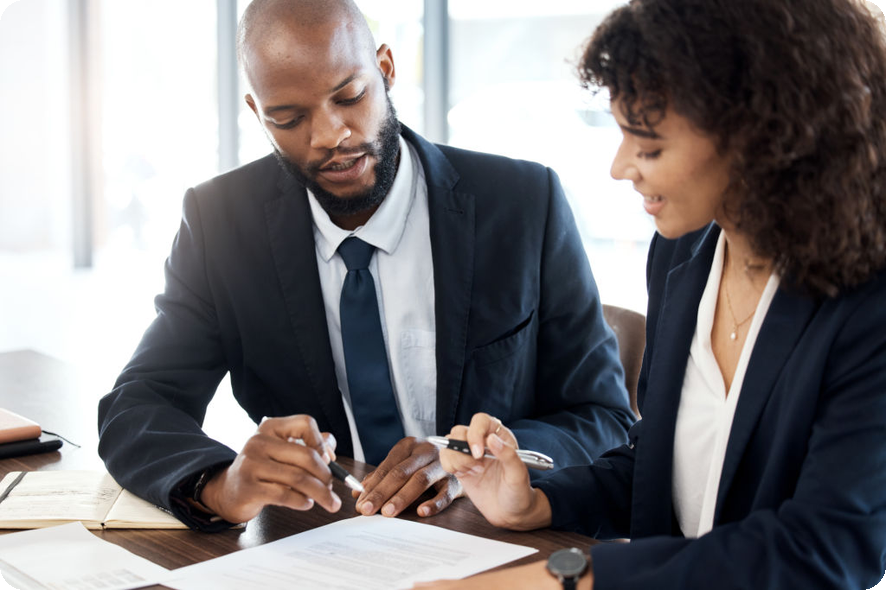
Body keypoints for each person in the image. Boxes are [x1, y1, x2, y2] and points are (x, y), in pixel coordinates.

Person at [96, 0, 634, 531]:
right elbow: (137, 406)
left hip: (494, 537)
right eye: (289, 118)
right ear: (258, 113)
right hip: (319, 540)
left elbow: (603, 416)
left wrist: (485, 460)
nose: (330, 136)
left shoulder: (522, 204)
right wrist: (221, 484)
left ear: (386, 69)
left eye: (350, 96)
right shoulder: (221, 225)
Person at [418, 0, 886, 588]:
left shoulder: (868, 303)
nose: (620, 167)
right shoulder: (682, 253)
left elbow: (823, 548)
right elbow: (662, 465)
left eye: (649, 145)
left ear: (762, 137)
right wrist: (537, 503)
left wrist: (571, 579)